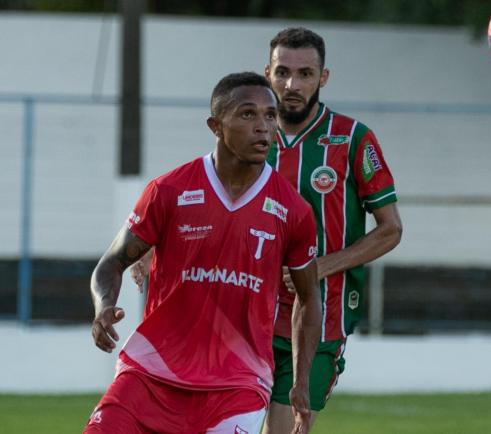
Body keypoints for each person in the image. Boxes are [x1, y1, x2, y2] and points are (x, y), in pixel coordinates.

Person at [133, 27, 403, 433]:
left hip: (319, 318)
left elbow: (390, 229)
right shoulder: (248, 135)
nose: (292, 85)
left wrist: (321, 266)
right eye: (283, 72)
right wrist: (154, 245)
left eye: (305, 74)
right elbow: (206, 202)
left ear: (323, 77)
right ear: (268, 73)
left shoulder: (352, 139)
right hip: (240, 316)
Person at [86, 72, 323, 434]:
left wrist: (300, 382)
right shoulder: (169, 190)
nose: (263, 127)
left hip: (238, 386)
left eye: (270, 115)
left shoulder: (294, 210)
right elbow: (111, 263)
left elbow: (309, 300)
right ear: (215, 126)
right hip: (149, 374)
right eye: (248, 114)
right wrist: (103, 306)